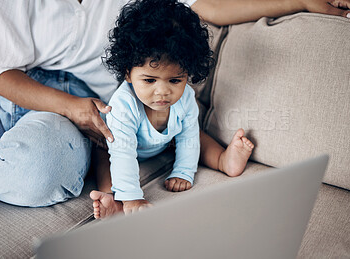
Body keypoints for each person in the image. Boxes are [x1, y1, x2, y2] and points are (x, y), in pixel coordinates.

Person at [0, 0, 350, 207]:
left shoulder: (160, 103)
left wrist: (298, 1)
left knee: (37, 174)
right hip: (10, 88)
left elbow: (210, 6)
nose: (164, 87)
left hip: (88, 109)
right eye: (152, 79)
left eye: (173, 80)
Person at [88, 0, 255, 216]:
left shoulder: (185, 98)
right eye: (149, 81)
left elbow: (188, 137)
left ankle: (224, 161)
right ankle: (115, 200)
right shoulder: (123, 105)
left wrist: (183, 173)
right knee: (103, 153)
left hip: (165, 142)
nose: (162, 92)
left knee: (195, 134)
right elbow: (123, 154)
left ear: (188, 73)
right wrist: (133, 198)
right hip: (117, 144)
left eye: (175, 80)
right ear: (128, 73)